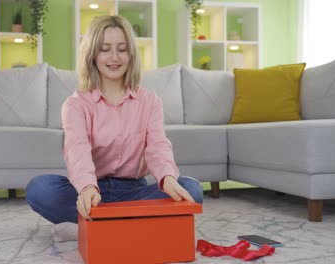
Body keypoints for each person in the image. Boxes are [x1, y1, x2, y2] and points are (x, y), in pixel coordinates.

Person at [26, 15, 203, 242]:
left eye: (122, 49)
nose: (114, 57)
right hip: (91, 191)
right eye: (105, 49)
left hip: (134, 192)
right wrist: (87, 188)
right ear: (92, 54)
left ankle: (88, 229)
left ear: (131, 54)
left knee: (192, 189)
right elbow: (76, 149)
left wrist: (168, 177)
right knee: (39, 188)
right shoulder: (76, 104)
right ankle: (129, 225)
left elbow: (158, 146)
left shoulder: (150, 101)